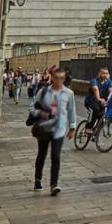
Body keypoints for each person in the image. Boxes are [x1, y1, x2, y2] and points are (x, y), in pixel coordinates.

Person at [31, 68, 76, 196]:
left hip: (59, 130)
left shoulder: (69, 93)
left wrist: (72, 128)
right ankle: (38, 179)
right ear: (52, 77)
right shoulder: (43, 91)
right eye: (56, 78)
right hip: (44, 128)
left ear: (64, 79)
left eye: (62, 78)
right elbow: (32, 107)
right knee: (42, 154)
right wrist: (40, 113)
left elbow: (71, 111)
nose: (58, 80)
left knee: (55, 156)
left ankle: (54, 184)